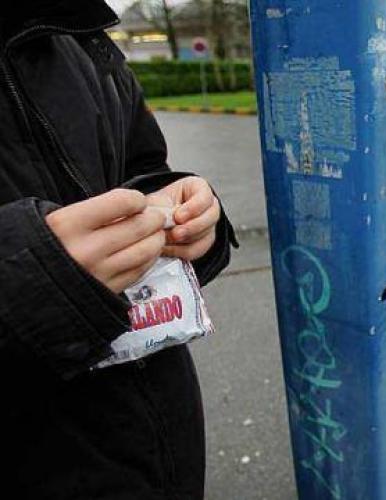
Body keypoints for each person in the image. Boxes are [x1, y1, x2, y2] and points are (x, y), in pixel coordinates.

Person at [0, 1, 238, 498]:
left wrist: (191, 218)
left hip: (159, 451)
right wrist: (26, 280)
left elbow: (142, 165)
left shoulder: (78, 29)